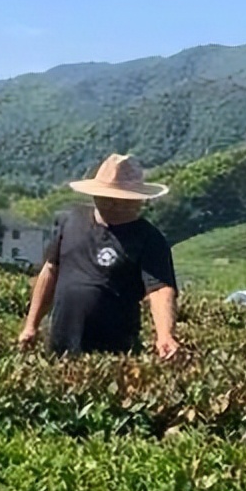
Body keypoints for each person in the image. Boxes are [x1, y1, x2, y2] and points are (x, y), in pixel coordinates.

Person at [18, 153, 181, 359]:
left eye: (124, 201)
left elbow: (159, 290)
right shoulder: (69, 221)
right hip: (61, 343)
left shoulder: (149, 238)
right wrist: (31, 325)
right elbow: (50, 270)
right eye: (109, 200)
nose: (116, 206)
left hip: (115, 350)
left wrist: (165, 335)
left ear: (139, 200)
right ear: (96, 196)